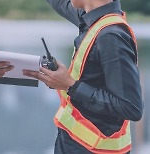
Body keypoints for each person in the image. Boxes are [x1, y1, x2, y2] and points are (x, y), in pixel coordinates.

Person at [23, 0, 143, 153]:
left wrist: (70, 86)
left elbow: (130, 107)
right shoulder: (93, 19)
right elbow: (61, 3)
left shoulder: (111, 35)